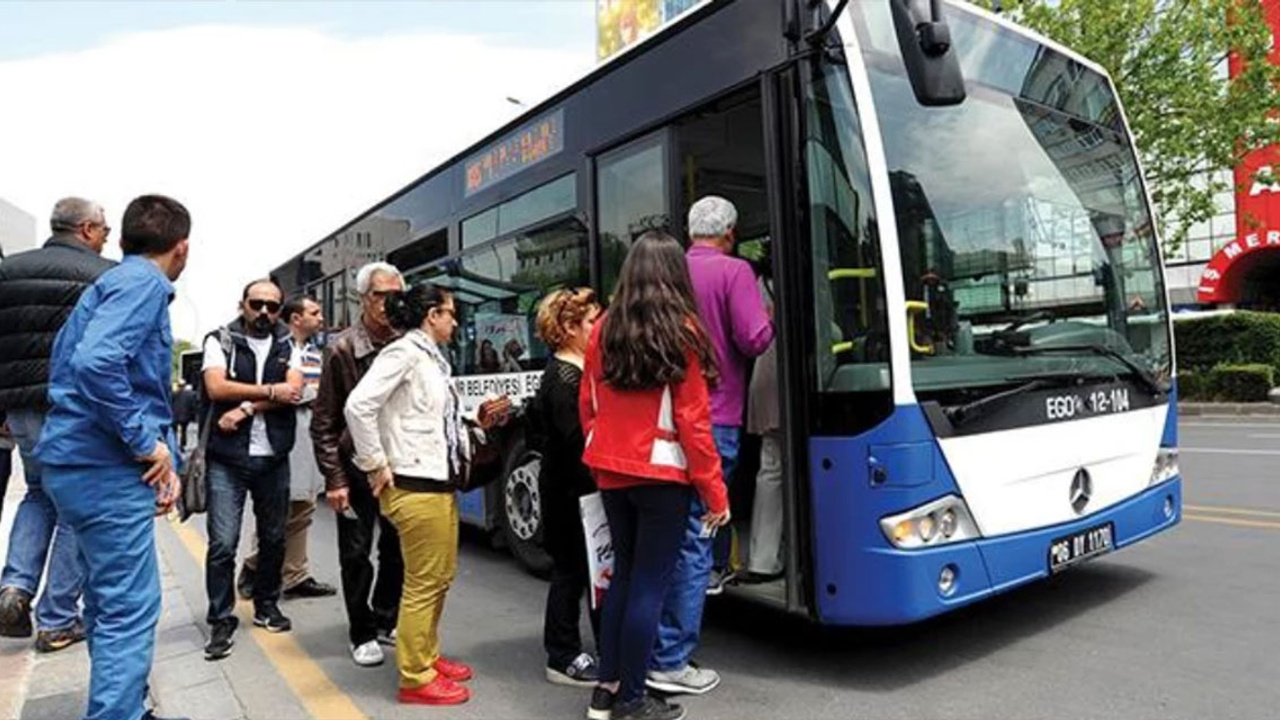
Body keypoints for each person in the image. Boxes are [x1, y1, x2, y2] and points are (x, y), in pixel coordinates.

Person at [34, 194, 191, 720]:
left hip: (70, 462)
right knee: (130, 607)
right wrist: (146, 444)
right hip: (102, 467)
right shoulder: (145, 284)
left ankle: (127, 707)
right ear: (182, 248)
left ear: (122, 239)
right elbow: (98, 364)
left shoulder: (110, 283)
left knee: (105, 602)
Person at [580, 231, 730, 720]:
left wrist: (602, 448)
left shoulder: (603, 328)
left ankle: (607, 687)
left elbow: (589, 404)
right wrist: (715, 493)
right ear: (675, 274)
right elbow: (694, 422)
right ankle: (631, 701)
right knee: (651, 585)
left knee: (623, 579)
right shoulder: (682, 329)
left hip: (609, 469)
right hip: (663, 474)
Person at [344, 283, 510, 706]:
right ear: (431, 315)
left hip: (436, 482)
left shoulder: (429, 358)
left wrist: (477, 421)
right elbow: (357, 407)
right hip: (414, 484)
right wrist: (375, 464)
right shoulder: (403, 353)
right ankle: (415, 676)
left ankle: (426, 656)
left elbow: (426, 418)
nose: (455, 321)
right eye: (450, 313)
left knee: (438, 578)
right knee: (423, 583)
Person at [649, 196, 773, 696]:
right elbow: (755, 338)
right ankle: (672, 658)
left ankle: (656, 643)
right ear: (731, 232)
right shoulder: (734, 271)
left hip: (664, 422)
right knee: (697, 536)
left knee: (672, 536)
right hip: (716, 418)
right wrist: (768, 313)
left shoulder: (668, 272)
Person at [0, 197, 114, 651]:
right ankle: (58, 618)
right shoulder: (104, 276)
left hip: (19, 407)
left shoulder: (9, 271)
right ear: (86, 229)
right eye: (104, 227)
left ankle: (15, 587)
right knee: (75, 506)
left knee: (38, 491)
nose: (108, 235)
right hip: (75, 408)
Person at [200, 279, 304, 660]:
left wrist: (246, 405)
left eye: (272, 307)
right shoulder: (220, 340)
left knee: (274, 538)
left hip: (273, 455)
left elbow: (292, 391)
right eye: (257, 304)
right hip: (227, 458)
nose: (264, 312)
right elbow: (216, 388)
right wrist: (271, 392)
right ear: (242, 303)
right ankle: (221, 618)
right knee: (223, 544)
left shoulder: (288, 342)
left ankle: (266, 605)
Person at [311, 261, 406, 668]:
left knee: (397, 548)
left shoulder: (410, 342)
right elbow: (324, 423)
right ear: (363, 299)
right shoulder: (342, 348)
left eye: (393, 296)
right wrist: (334, 478)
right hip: (355, 468)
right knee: (355, 552)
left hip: (401, 465)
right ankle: (361, 631)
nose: (386, 304)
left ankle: (384, 618)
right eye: (378, 295)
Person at [238, 296, 337, 601]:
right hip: (283, 430)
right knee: (278, 507)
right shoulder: (278, 346)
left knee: (303, 506)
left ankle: (295, 575)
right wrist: (310, 393)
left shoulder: (312, 350)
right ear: (296, 318)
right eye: (314, 313)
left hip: (310, 432)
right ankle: (255, 567)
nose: (321, 318)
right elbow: (286, 391)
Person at [532, 288, 603, 687]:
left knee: (582, 572)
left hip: (574, 492)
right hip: (569, 494)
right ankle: (562, 657)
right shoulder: (564, 379)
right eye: (592, 322)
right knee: (571, 573)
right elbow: (579, 443)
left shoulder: (575, 370)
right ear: (569, 327)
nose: (598, 329)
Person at [172, 383, 197, 450]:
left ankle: (173, 443)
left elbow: (171, 402)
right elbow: (193, 405)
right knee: (184, 431)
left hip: (175, 414)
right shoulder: (190, 394)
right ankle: (182, 445)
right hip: (185, 415)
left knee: (174, 430)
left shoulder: (175, 393)